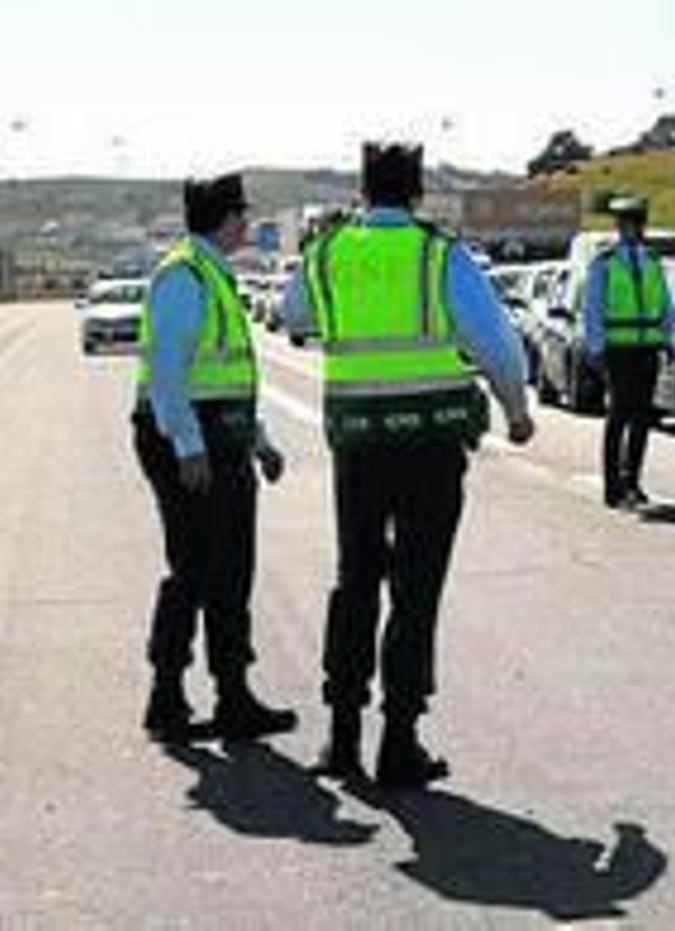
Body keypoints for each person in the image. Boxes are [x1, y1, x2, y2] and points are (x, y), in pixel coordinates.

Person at [280, 142, 535, 788]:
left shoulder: (330, 251)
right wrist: (515, 408)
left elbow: (294, 315)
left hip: (358, 443)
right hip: (428, 445)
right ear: (417, 190)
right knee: (415, 589)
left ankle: (341, 737)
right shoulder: (438, 253)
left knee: (355, 578)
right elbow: (493, 340)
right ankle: (399, 739)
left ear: (363, 189)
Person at [133, 172, 297, 743]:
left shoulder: (213, 275)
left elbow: (228, 378)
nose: (248, 226)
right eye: (243, 216)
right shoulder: (183, 276)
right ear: (226, 219)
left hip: (220, 435)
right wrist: (188, 447)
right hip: (186, 437)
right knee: (195, 567)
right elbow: (168, 372)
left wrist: (259, 442)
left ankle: (234, 696)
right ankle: (166, 695)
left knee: (231, 569)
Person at [583, 196, 675, 509]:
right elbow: (593, 307)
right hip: (618, 348)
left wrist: (669, 338)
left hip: (647, 346)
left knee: (642, 417)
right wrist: (595, 347)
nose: (630, 230)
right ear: (619, 227)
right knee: (619, 414)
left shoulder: (652, 261)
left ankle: (633, 481)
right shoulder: (605, 262)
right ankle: (613, 487)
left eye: (635, 224)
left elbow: (664, 303)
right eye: (625, 224)